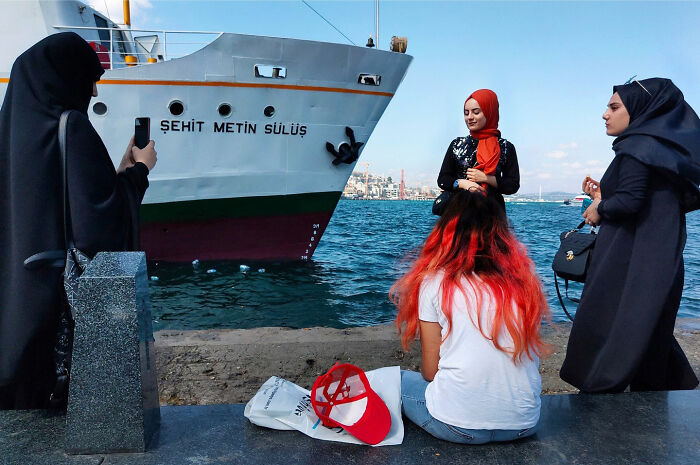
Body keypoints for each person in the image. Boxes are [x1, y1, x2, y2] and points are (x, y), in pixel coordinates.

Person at [0, 32, 157, 409]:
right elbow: (97, 230)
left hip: (13, 306)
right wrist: (139, 172)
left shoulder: (10, 132)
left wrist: (117, 174)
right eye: (92, 80)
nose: (95, 93)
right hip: (50, 313)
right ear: (68, 75)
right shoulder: (71, 125)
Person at [560, 78, 700, 393]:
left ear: (639, 110)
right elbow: (652, 199)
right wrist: (604, 194)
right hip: (660, 259)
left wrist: (600, 208)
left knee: (610, 322)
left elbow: (630, 201)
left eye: (614, 107)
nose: (605, 114)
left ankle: (599, 392)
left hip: (630, 260)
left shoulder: (637, 148)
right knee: (649, 326)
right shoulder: (663, 152)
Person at [390, 189, 550, 444]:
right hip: (523, 424)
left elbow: (431, 372)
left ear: (446, 232)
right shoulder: (525, 283)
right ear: (501, 234)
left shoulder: (435, 283)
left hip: (456, 426)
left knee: (396, 381)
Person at [437, 89, 520, 212]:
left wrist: (487, 179)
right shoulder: (457, 144)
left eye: (476, 112)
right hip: (457, 214)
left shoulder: (506, 147)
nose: (470, 117)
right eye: (466, 113)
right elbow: (443, 179)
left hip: (492, 216)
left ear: (489, 112)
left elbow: (512, 185)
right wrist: (462, 183)